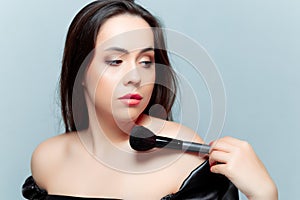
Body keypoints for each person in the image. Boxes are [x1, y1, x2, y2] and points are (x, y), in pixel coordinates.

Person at [22, 0, 278, 199]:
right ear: (81, 71)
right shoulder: (47, 158)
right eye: (115, 61)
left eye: (146, 62)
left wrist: (264, 195)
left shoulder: (185, 156)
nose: (135, 76)